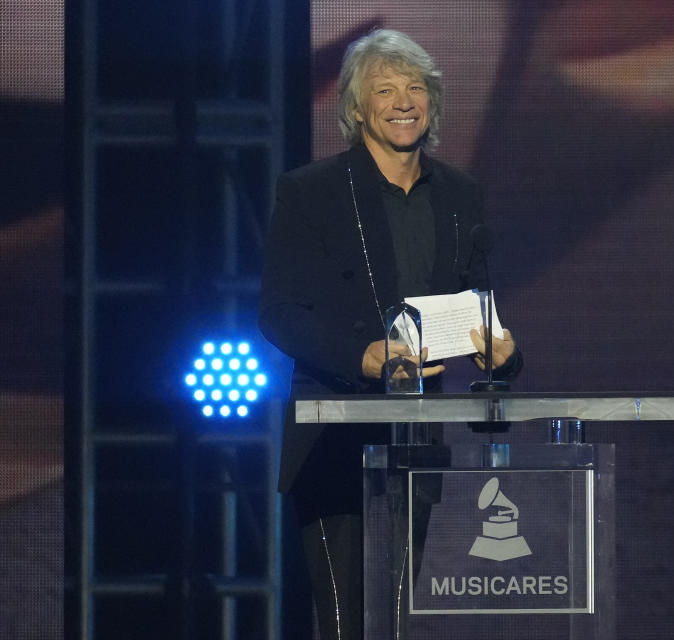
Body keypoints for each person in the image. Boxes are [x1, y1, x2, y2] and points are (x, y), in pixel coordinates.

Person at [258, 29, 521, 639]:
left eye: (415, 88)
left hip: (415, 433)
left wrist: (502, 354)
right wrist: (363, 356)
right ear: (356, 108)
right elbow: (279, 311)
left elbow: (475, 302)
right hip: (334, 434)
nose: (404, 101)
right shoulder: (310, 192)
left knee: (398, 621)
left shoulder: (459, 192)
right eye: (385, 89)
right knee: (348, 623)